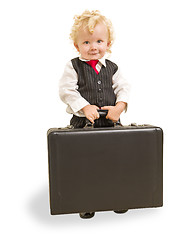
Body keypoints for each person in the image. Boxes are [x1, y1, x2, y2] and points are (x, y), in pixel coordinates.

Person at [59, 10, 130, 218]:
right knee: (85, 165)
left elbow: (123, 88)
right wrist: (84, 106)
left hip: (111, 124)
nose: (93, 47)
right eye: (87, 43)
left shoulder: (113, 68)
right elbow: (66, 90)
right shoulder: (73, 67)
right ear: (77, 46)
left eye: (99, 41)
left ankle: (116, 198)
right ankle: (86, 201)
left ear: (108, 44)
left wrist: (119, 107)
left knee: (115, 162)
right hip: (83, 125)